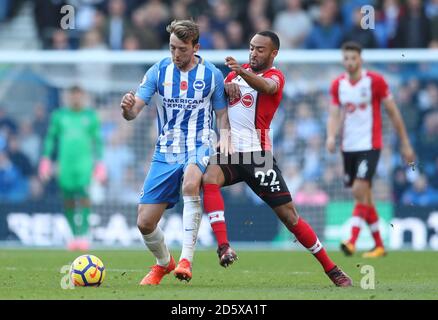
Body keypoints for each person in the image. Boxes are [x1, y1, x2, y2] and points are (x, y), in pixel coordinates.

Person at [201, 31, 352, 287]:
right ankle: (224, 247)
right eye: (251, 47)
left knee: (290, 218)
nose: (254, 52)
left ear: (274, 53)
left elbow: (266, 87)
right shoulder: (233, 75)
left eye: (260, 49)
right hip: (231, 152)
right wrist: (227, 92)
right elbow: (222, 108)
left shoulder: (275, 77)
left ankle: (332, 269)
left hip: (258, 157)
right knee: (208, 179)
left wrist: (241, 73)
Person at [119, 20, 231, 285]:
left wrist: (224, 139)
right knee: (145, 223)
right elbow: (134, 111)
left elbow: (222, 114)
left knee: (192, 182)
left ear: (195, 47)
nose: (176, 54)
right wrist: (126, 108)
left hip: (199, 143)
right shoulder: (159, 71)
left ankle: (186, 260)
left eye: (181, 49)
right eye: (172, 48)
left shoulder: (212, 74)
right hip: (166, 150)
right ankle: (163, 263)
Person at [326, 41, 416, 258]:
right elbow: (334, 113)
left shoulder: (375, 81)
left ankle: (352, 240)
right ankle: (379, 246)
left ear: (360, 59)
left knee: (359, 190)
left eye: (353, 58)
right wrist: (331, 136)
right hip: (348, 148)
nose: (349, 62)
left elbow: (394, 113)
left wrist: (405, 143)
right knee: (365, 196)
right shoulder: (338, 84)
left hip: (370, 146)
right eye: (346, 59)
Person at [38, 86, 107, 251]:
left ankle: (83, 235)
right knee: (68, 199)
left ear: (83, 97)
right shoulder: (59, 116)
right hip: (65, 165)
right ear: (69, 97)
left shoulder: (90, 116)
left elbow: (98, 141)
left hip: (84, 165)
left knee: (84, 198)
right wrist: (46, 159)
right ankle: (73, 235)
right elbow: (50, 138)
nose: (76, 98)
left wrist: (100, 163)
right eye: (73, 95)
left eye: (79, 95)